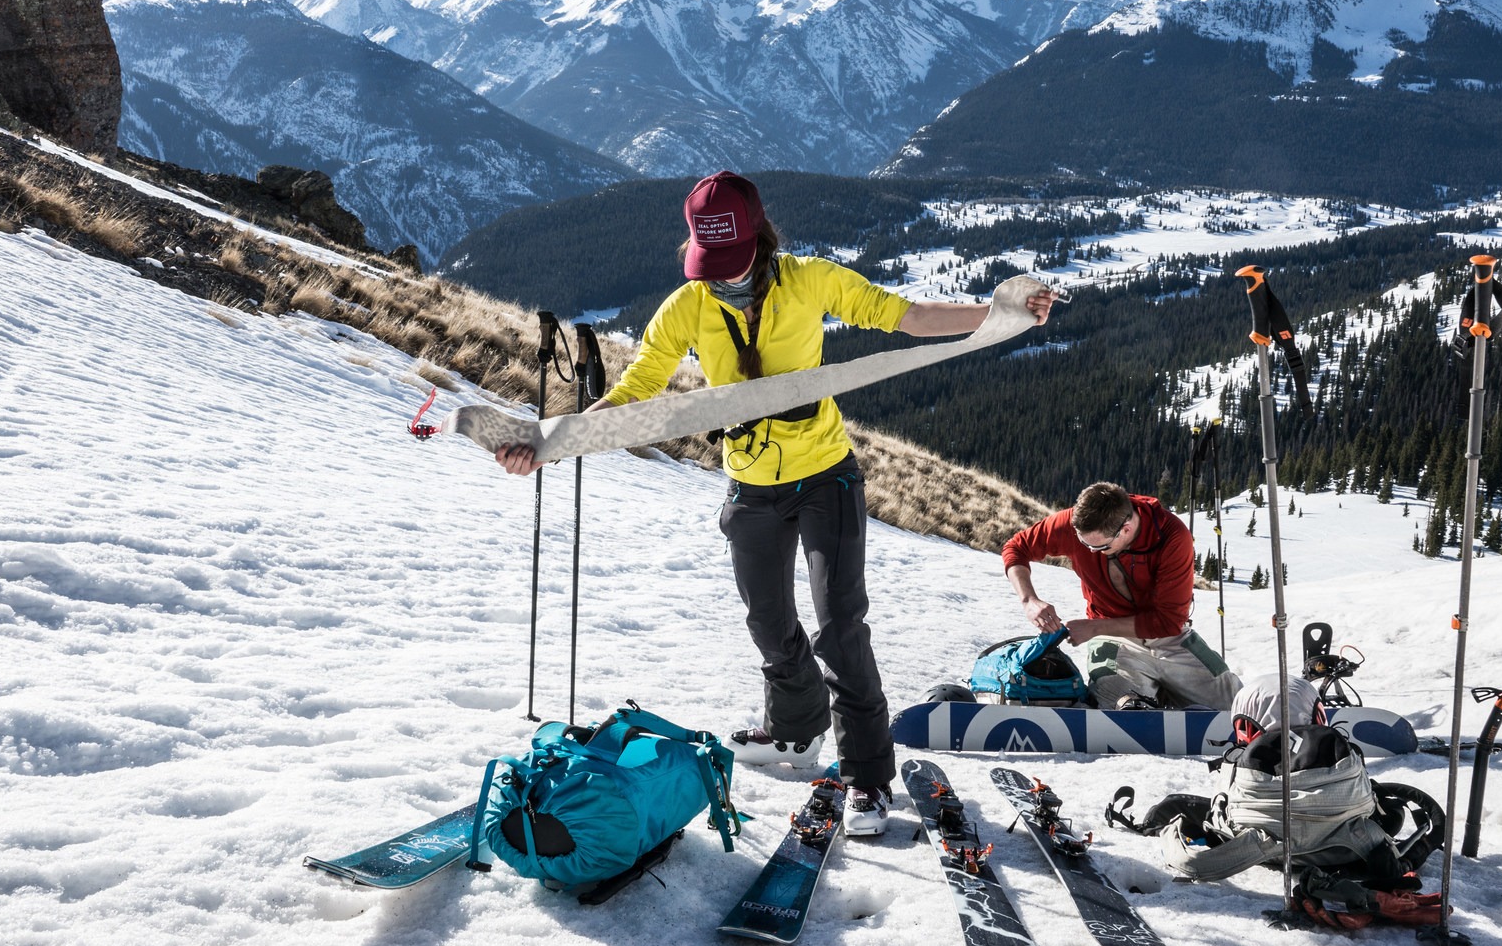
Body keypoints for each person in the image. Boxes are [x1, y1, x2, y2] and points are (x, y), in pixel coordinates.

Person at [497, 170, 1052, 835]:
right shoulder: (687, 305)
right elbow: (641, 385)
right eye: (712, 266)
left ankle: (867, 780)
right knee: (768, 623)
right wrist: (555, 441)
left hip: (826, 477)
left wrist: (997, 317)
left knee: (839, 628)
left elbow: (904, 316)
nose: (723, 279)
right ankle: (795, 732)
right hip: (751, 485)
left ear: (760, 236)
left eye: (734, 264)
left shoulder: (810, 279)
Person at [1002, 481, 1241, 711]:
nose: (1089, 551)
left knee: (1238, 706)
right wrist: (1029, 600)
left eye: (1098, 547)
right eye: (1083, 543)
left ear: (1125, 530)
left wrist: (1093, 628)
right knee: (1118, 703)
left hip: (1171, 638)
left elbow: (1168, 622)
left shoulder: (1173, 536)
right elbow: (1016, 548)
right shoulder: (1075, 525)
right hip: (1112, 638)